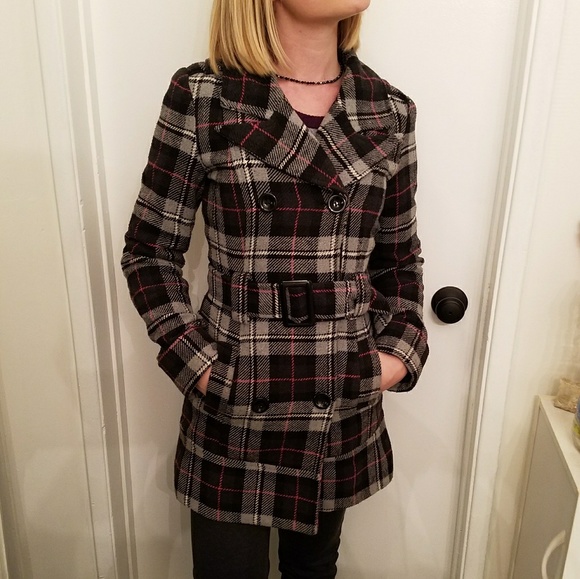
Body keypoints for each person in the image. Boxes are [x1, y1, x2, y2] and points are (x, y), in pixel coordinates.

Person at [121, 0, 429, 577]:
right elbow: (149, 252)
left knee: (313, 572)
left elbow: (398, 263)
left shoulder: (388, 111)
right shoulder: (205, 97)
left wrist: (391, 360)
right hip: (235, 406)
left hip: (339, 403)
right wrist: (203, 368)